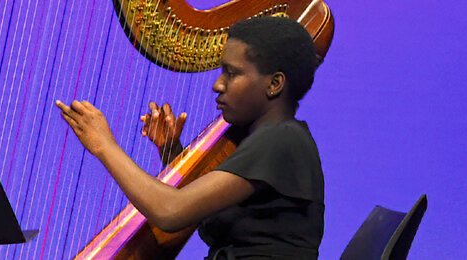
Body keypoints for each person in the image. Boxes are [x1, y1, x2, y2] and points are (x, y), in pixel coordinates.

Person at [56, 16, 324, 259]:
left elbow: (171, 213)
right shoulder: (261, 139)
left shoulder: (281, 140)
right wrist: (172, 151)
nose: (218, 84)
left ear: (274, 84)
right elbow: (209, 215)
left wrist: (104, 145)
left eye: (232, 73)